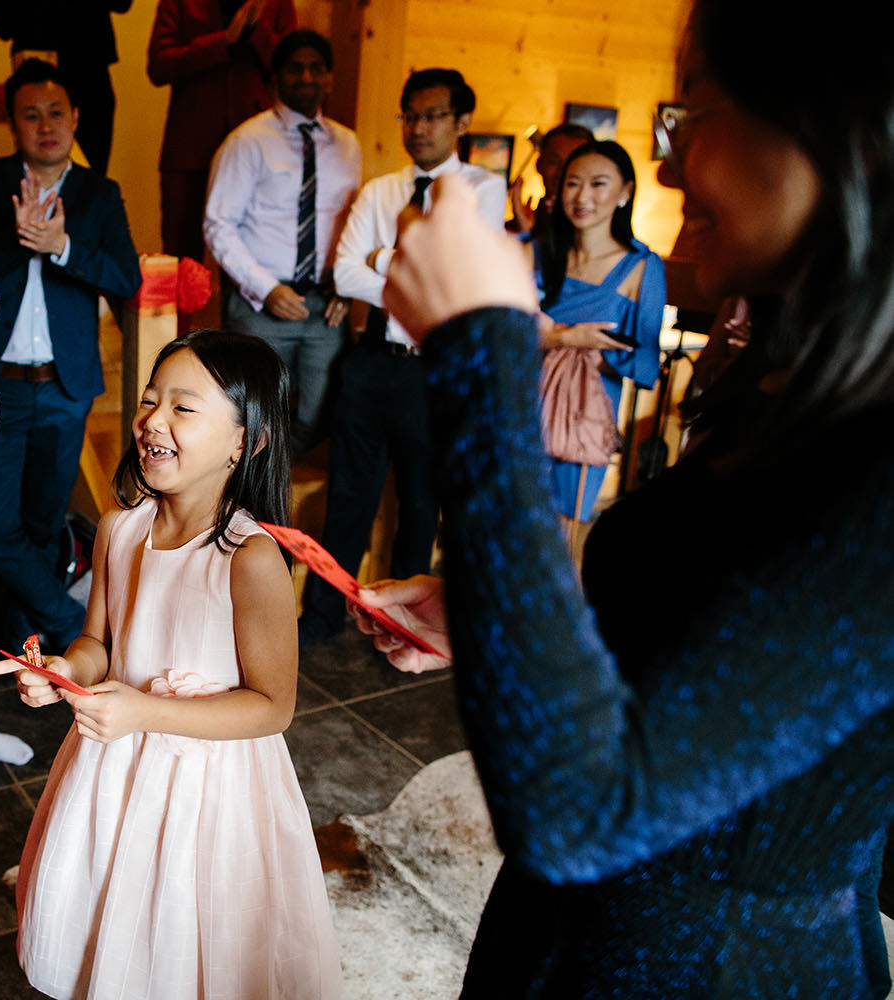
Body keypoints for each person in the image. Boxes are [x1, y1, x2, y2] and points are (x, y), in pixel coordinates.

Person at [359, 0, 894, 994]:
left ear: (839, 131)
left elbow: (580, 805)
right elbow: (731, 642)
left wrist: (481, 344)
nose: (677, 161)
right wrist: (500, 602)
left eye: (696, 107)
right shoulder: (797, 382)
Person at [0, 330, 341, 999]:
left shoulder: (248, 557)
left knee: (192, 940)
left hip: (208, 789)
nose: (152, 420)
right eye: (151, 400)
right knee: (112, 920)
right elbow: (100, 645)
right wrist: (64, 671)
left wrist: (141, 709)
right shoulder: (122, 528)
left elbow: (273, 707)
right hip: (115, 768)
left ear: (246, 441)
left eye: (184, 407)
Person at [298, 67, 505, 645]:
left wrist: (383, 258)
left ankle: (401, 623)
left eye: (431, 115)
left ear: (461, 122)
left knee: (419, 503)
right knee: (348, 500)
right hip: (370, 361)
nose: (417, 127)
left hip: (433, 370)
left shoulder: (484, 190)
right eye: (409, 115)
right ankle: (321, 617)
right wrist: (413, 266)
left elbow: (457, 276)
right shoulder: (381, 190)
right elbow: (343, 272)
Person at [0, 58, 141, 651]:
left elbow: (126, 279)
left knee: (40, 524)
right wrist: (19, 239)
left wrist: (62, 247)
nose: (46, 124)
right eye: (31, 114)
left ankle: (25, 644)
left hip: (65, 387)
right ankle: (66, 623)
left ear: (76, 118)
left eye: (56, 111)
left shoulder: (99, 194)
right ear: (12, 123)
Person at [204, 28, 360, 455]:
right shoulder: (247, 141)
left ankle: (265, 491)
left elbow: (355, 225)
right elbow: (219, 225)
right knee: (250, 415)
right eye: (295, 68)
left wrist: (346, 285)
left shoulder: (349, 145)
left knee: (321, 415)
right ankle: (248, 504)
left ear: (329, 77)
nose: (306, 77)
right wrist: (266, 289)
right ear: (276, 77)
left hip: (324, 306)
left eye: (316, 68)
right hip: (260, 304)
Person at [533, 140, 665, 524]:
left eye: (598, 183)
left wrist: (592, 348)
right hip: (520, 398)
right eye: (573, 183)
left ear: (625, 192)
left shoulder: (642, 266)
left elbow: (645, 364)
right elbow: (500, 329)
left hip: (583, 413)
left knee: (559, 533)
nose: (582, 196)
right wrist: (563, 339)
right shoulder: (540, 253)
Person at [147, 0, 296, 262]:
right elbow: (158, 66)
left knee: (256, 251)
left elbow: (291, 66)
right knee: (180, 254)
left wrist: (257, 28)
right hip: (189, 145)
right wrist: (222, 41)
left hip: (256, 144)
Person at [0, 0, 132, 175]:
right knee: (40, 169)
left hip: (90, 61)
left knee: (91, 175)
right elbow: (3, 23)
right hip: (37, 64)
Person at [507, 122, 591, 236]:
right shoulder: (511, 231)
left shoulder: (604, 235)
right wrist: (525, 232)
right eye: (554, 162)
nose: (563, 172)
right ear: (538, 165)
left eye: (574, 164)